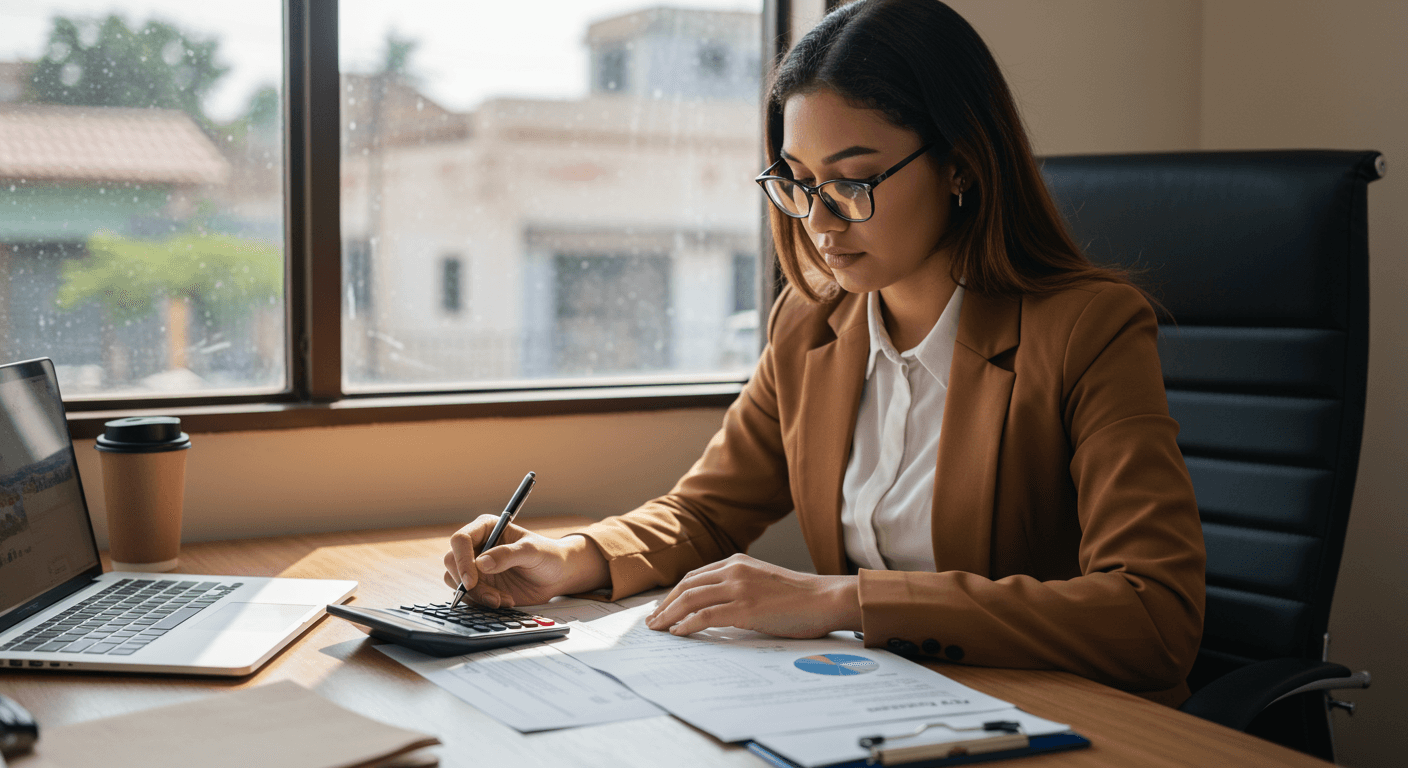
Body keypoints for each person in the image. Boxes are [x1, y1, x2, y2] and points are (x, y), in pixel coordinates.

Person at [442, 0, 1205, 706]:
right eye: (798, 182)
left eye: (853, 180)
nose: (818, 220)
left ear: (962, 165)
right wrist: (571, 558)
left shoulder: (1087, 330)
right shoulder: (812, 327)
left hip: (1045, 717)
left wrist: (843, 600)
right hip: (865, 702)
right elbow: (706, 511)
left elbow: (1153, 615)